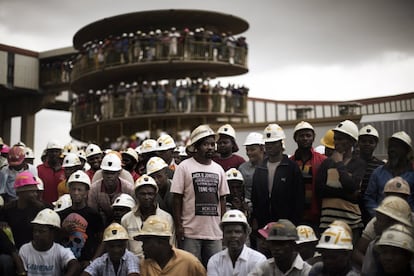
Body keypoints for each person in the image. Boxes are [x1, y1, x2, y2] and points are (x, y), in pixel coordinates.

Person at [171, 124, 229, 267]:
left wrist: (223, 226)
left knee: (215, 270)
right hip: (190, 232)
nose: (210, 147)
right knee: (191, 270)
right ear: (196, 147)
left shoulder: (219, 169)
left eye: (212, 144)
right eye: (205, 144)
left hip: (214, 232)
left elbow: (222, 199)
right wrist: (179, 226)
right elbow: (177, 199)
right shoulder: (184, 167)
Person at [316, 120, 366, 240]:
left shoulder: (359, 164)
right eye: (336, 139)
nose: (337, 142)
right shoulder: (327, 163)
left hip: (351, 224)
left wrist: (339, 163)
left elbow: (351, 186)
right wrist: (348, 194)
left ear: (352, 141)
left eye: (341, 139)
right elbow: (320, 191)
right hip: (328, 223)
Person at [251, 123, 304, 231]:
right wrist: (255, 218)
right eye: (267, 143)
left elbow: (298, 198)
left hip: (286, 224)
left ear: (281, 143)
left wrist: (294, 222)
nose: (269, 146)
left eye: (273, 143)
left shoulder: (291, 167)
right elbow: (255, 197)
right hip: (263, 223)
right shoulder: (260, 168)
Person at [352, 177, 412, 269]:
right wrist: (371, 266)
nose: (395, 200)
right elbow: (357, 251)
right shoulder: (376, 221)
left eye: (400, 196)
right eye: (391, 195)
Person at [58, 170, 104, 269]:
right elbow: (54, 239)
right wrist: (63, 232)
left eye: (80, 190)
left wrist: (92, 262)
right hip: (64, 264)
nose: (76, 193)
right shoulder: (61, 214)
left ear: (86, 192)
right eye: (73, 189)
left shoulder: (94, 215)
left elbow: (101, 242)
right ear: (69, 190)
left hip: (86, 264)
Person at [121, 174, 174, 258]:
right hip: (134, 263)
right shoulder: (126, 219)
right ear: (136, 195)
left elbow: (171, 245)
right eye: (142, 194)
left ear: (155, 195)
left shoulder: (166, 218)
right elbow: (124, 248)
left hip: (158, 262)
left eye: (150, 194)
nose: (146, 197)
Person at [134, 215, 206, 275]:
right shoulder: (144, 265)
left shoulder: (189, 262)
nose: (142, 247)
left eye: (146, 243)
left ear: (160, 242)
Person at [364, 131, 414, 218]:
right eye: (390, 146)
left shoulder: (412, 174)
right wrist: (377, 215)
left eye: (397, 146)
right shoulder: (378, 173)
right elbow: (369, 197)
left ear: (406, 151)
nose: (392, 149)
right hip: (381, 221)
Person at [19, 208, 80, 276]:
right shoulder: (25, 250)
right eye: (35, 230)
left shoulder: (59, 250)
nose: (36, 234)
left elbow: (75, 265)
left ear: (53, 233)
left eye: (41, 231)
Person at [361, 196, 413, 275]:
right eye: (384, 252)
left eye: (379, 220)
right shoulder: (373, 246)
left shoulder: (409, 245)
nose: (374, 223)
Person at [290, 121, 327, 230]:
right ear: (295, 138)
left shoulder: (322, 161)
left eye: (308, 135)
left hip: (316, 216)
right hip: (295, 216)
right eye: (301, 135)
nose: (305, 138)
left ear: (313, 138)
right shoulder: (289, 162)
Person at [207, 210, 266, 276]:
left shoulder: (258, 260)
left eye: (237, 232)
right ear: (223, 235)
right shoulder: (215, 261)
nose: (233, 236)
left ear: (246, 234)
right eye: (228, 232)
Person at [0, 171, 47, 249]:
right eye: (32, 191)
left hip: (35, 249)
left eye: (35, 191)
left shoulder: (40, 208)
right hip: (13, 249)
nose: (35, 194)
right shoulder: (7, 209)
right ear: (20, 192)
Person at [88, 153, 134, 226]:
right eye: (106, 173)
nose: (109, 176)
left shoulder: (129, 189)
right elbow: (92, 213)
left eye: (113, 173)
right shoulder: (94, 189)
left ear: (119, 173)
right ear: (102, 173)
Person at [357, 125, 385, 225]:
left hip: (372, 211)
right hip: (354, 209)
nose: (367, 144)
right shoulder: (350, 162)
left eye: (371, 142)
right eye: (363, 141)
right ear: (358, 142)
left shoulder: (381, 166)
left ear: (376, 144)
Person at [37, 140, 65, 204]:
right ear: (47, 153)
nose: (54, 154)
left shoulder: (66, 169)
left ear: (60, 153)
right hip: (43, 206)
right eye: (51, 151)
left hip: (62, 206)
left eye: (56, 151)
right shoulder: (39, 169)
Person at [238, 132, 264, 200]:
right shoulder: (242, 168)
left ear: (262, 149)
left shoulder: (270, 167)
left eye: (252, 149)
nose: (249, 153)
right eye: (247, 150)